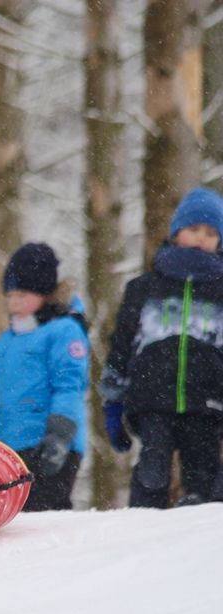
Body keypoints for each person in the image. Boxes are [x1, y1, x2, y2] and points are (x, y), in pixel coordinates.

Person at [99, 187, 223, 508]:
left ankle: (198, 524)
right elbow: (122, 344)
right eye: (194, 229)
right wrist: (113, 403)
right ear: (176, 232)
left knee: (204, 471)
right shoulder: (144, 288)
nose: (201, 238)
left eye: (211, 233)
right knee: (153, 467)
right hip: (153, 395)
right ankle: (143, 522)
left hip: (207, 398)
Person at [0, 243, 89, 511]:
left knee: (43, 514)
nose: (15, 302)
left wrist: (59, 434)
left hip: (50, 442)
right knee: (18, 516)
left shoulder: (63, 331)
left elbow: (69, 384)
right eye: (10, 296)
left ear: (45, 293)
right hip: (11, 446)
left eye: (23, 294)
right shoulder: (6, 341)